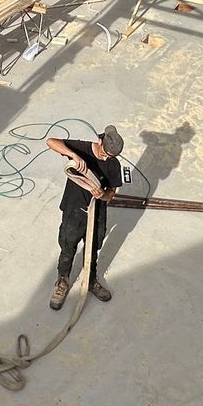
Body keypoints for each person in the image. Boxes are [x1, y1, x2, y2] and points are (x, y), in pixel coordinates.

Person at [45, 124, 124, 309]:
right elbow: (50, 142)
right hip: (74, 209)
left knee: (93, 246)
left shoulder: (114, 164)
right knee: (68, 246)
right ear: (99, 141)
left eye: (110, 156)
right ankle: (62, 281)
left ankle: (90, 280)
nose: (106, 158)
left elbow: (112, 192)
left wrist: (102, 195)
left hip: (97, 211)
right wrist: (73, 155)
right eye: (105, 153)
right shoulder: (82, 149)